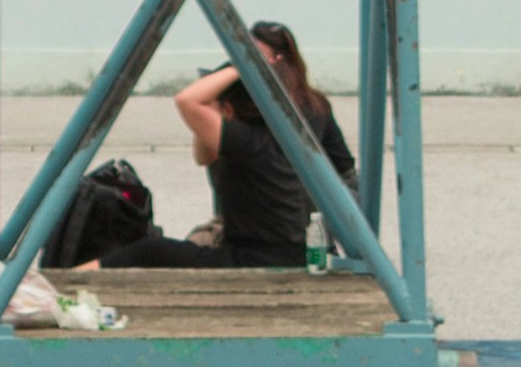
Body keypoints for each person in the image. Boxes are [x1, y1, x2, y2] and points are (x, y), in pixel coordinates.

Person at [81, 23, 359, 269]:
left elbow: (186, 101)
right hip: (300, 248)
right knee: (183, 243)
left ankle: (68, 283)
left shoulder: (248, 141)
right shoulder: (289, 122)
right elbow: (204, 156)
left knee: (149, 250)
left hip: (256, 259)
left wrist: (240, 67)